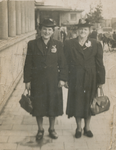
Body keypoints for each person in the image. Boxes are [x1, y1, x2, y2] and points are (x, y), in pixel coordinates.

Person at [24, 18, 68, 140]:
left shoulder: (58, 44)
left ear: (53, 31)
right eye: (44, 29)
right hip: (37, 81)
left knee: (52, 105)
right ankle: (40, 129)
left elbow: (63, 63)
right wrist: (27, 80)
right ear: (40, 30)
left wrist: (62, 79)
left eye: (49, 30)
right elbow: (28, 63)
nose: (47, 32)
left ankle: (52, 129)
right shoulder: (32, 44)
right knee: (38, 105)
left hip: (53, 81)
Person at [64, 19, 105, 138]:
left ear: (89, 31)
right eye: (81, 29)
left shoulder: (96, 44)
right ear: (77, 30)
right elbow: (65, 62)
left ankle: (87, 128)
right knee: (77, 102)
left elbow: (99, 63)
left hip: (90, 78)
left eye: (85, 29)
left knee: (89, 102)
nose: (83, 31)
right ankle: (78, 128)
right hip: (75, 78)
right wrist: (65, 78)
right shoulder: (69, 43)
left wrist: (101, 81)